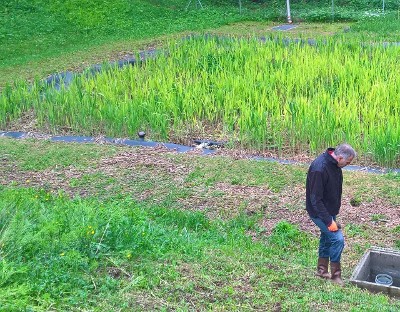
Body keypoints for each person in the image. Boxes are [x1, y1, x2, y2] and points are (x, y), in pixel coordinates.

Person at [306, 143, 356, 286]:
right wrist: (329, 221)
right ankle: (335, 276)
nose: (348, 164)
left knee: (327, 238)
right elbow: (315, 199)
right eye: (347, 162)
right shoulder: (319, 169)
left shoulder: (335, 164)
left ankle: (321, 271)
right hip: (318, 212)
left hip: (329, 210)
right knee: (337, 239)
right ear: (340, 157)